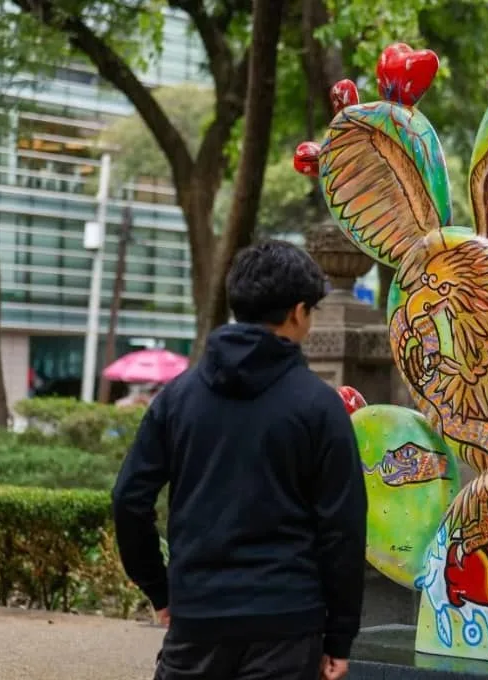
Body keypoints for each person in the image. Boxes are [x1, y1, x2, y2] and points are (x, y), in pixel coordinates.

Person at [112, 240, 368, 680]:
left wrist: (161, 591)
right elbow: (342, 527)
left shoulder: (176, 399)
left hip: (197, 620)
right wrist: (340, 636)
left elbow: (128, 501)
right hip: (288, 627)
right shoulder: (320, 407)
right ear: (298, 312)